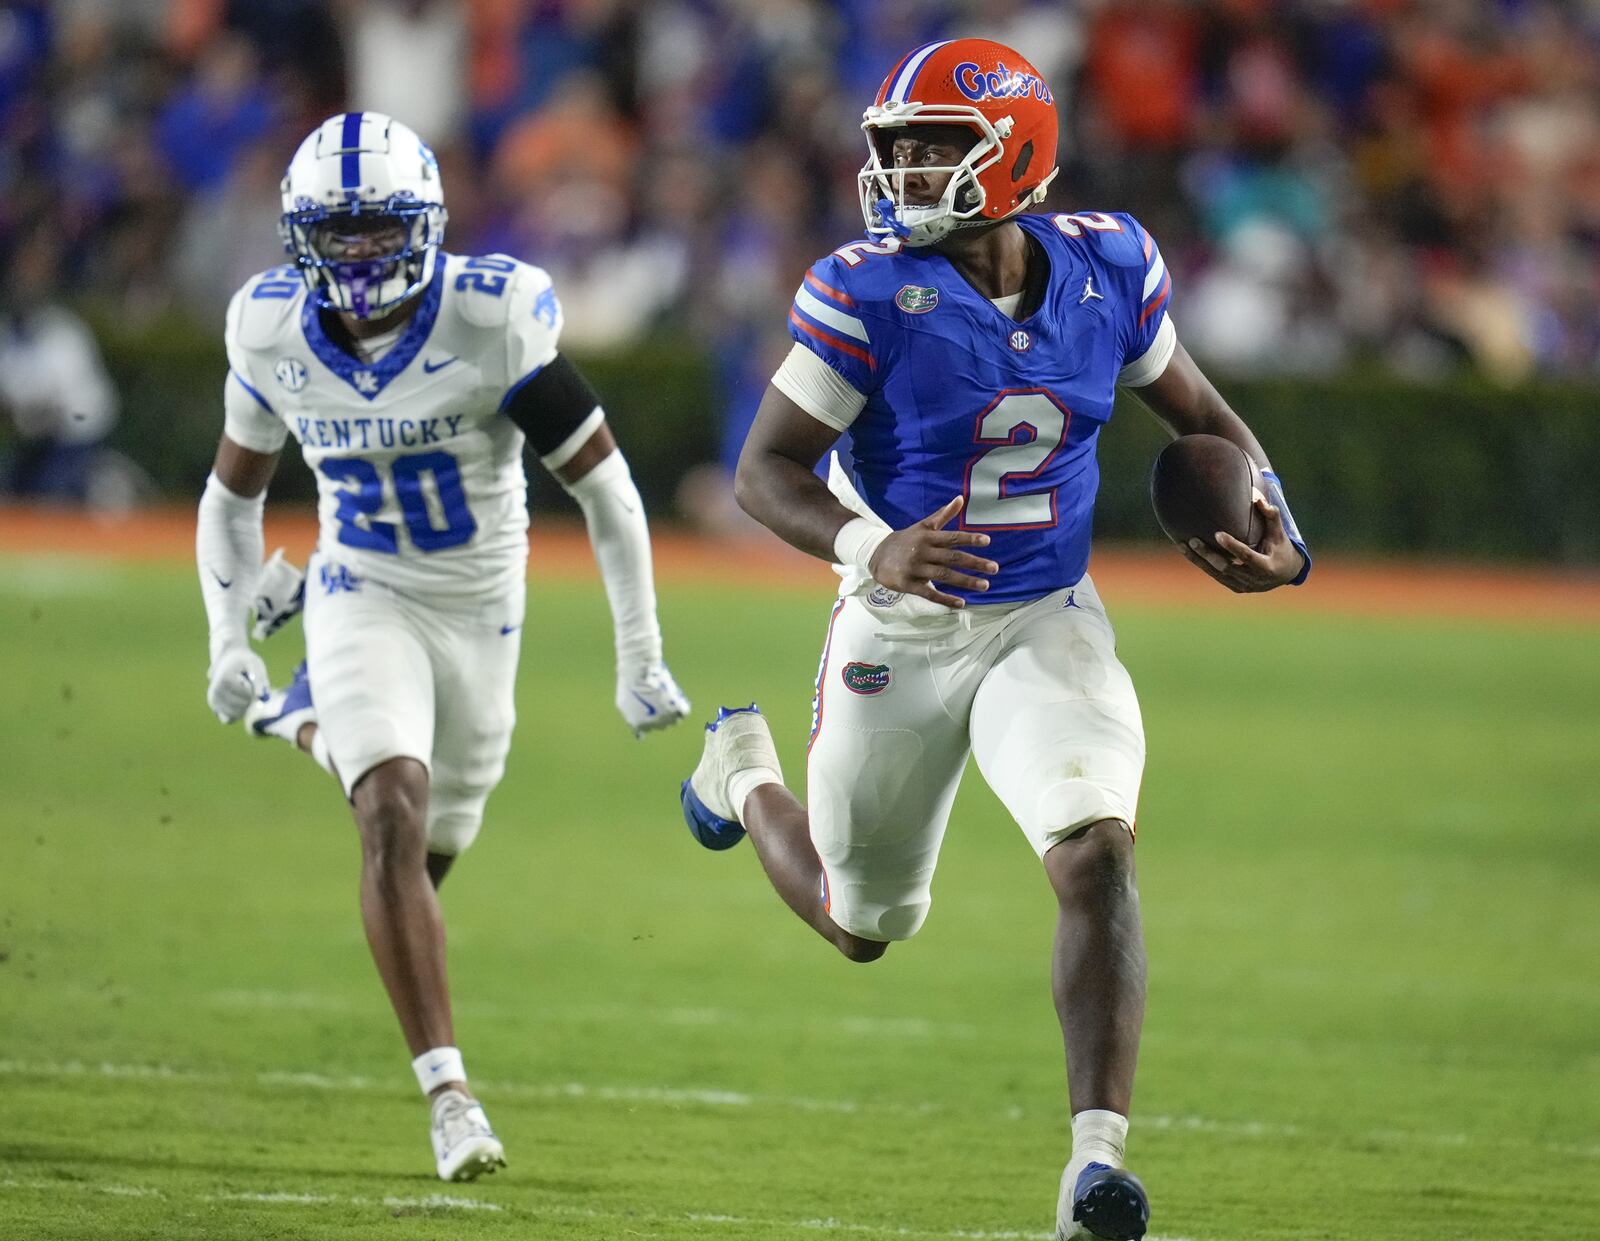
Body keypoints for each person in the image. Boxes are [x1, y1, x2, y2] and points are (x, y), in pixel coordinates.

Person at [678, 39, 1310, 1241]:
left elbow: (1205, 421)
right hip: (900, 624)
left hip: (1042, 615)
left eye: (932, 147)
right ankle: (743, 771)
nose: (903, 172)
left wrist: (1288, 542)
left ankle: (1093, 1167)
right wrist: (874, 546)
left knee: (1096, 851)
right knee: (862, 925)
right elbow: (760, 471)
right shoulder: (864, 290)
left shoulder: (1109, 264)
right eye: (894, 150)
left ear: (1012, 149)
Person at [196, 112, 690, 1182]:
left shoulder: (491, 316)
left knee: (434, 844)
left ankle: (301, 714)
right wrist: (223, 632)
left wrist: (638, 652)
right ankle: (450, 1095)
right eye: (341, 230)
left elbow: (603, 486)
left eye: (381, 228)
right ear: (298, 236)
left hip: (480, 612)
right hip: (357, 586)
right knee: (390, 808)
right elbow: (231, 494)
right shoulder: (272, 330)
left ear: (426, 226)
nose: (362, 251)